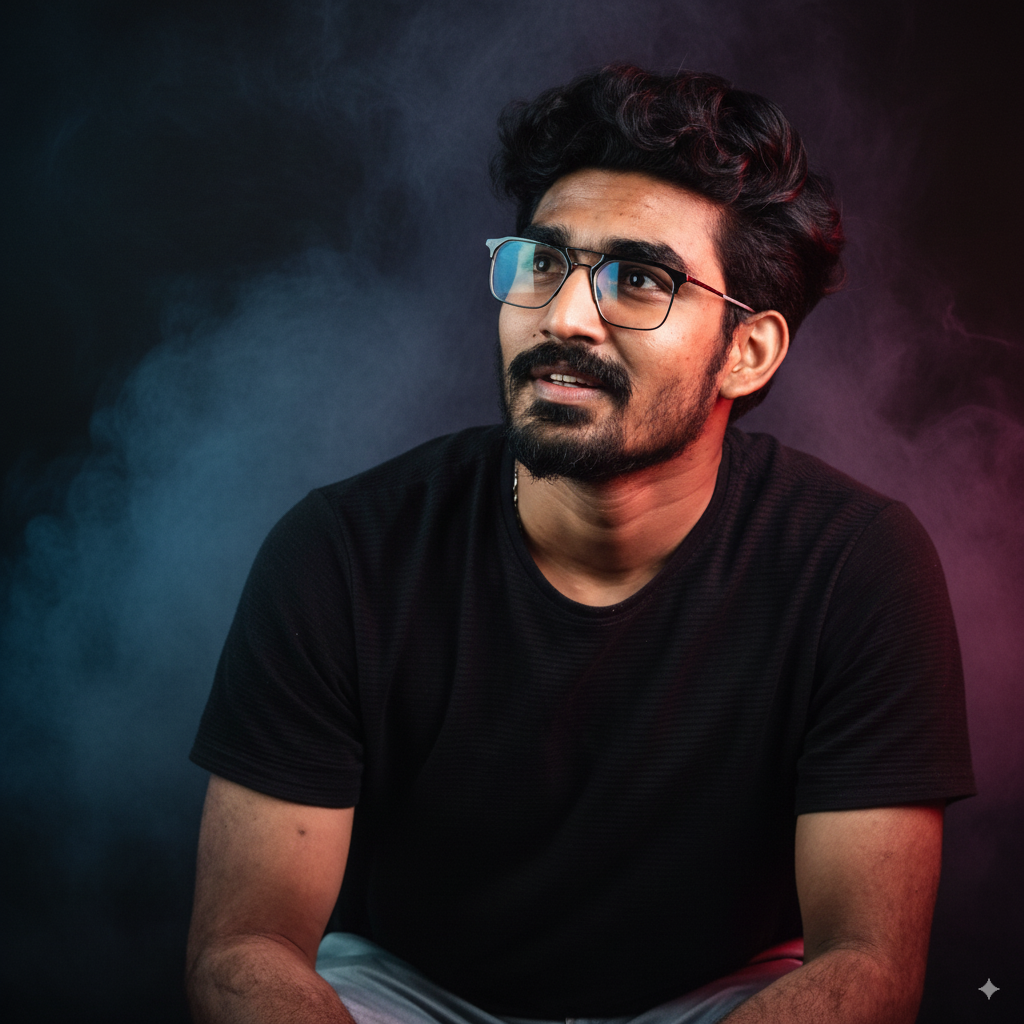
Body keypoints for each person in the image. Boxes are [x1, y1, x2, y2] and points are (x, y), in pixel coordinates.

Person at [185, 65, 975, 1024]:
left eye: (639, 280)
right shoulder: (343, 552)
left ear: (748, 351)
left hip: (717, 1003)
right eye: (542, 263)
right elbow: (243, 946)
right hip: (406, 994)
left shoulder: (856, 567)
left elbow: (868, 966)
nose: (562, 316)